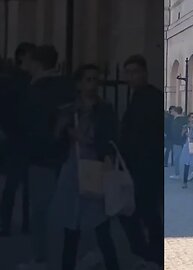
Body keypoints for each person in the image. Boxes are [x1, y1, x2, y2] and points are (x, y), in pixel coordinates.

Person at [53, 64, 119, 270]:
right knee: (71, 226)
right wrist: (65, 130)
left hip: (96, 167)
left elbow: (110, 138)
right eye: (88, 79)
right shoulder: (69, 109)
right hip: (73, 168)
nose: (92, 84)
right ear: (79, 83)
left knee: (101, 226)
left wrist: (87, 141)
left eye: (95, 79)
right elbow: (55, 138)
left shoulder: (105, 109)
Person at [18, 44, 76, 270]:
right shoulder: (65, 85)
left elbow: (33, 124)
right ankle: (60, 256)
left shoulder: (38, 89)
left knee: (41, 210)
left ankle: (42, 258)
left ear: (36, 63)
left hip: (41, 155)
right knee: (61, 208)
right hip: (62, 154)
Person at [118, 54, 162, 269]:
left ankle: (152, 253)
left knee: (145, 210)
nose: (131, 77)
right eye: (128, 73)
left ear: (144, 72)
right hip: (135, 165)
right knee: (140, 210)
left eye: (135, 72)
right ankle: (149, 253)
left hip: (146, 165)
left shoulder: (152, 97)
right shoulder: (137, 96)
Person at [0, 42, 36, 236]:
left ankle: (22, 223)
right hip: (16, 136)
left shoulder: (31, 79)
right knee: (14, 183)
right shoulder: (12, 80)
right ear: (22, 57)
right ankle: (7, 223)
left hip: (25, 136)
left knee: (24, 184)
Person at [169, 106, 189, 180]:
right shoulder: (185, 119)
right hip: (185, 141)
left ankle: (177, 174)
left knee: (176, 158)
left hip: (177, 142)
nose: (171, 113)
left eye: (172, 112)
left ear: (176, 112)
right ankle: (190, 172)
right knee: (187, 157)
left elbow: (175, 132)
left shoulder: (176, 121)